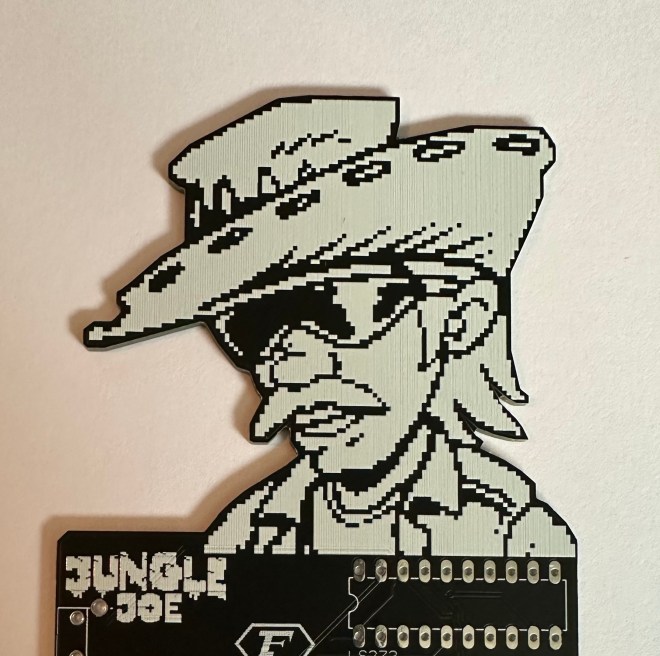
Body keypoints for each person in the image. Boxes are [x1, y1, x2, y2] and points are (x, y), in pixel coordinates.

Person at [84, 95, 575, 558]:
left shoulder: (516, 538)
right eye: (251, 329)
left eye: (336, 309)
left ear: (461, 316)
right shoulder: (249, 537)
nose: (290, 365)